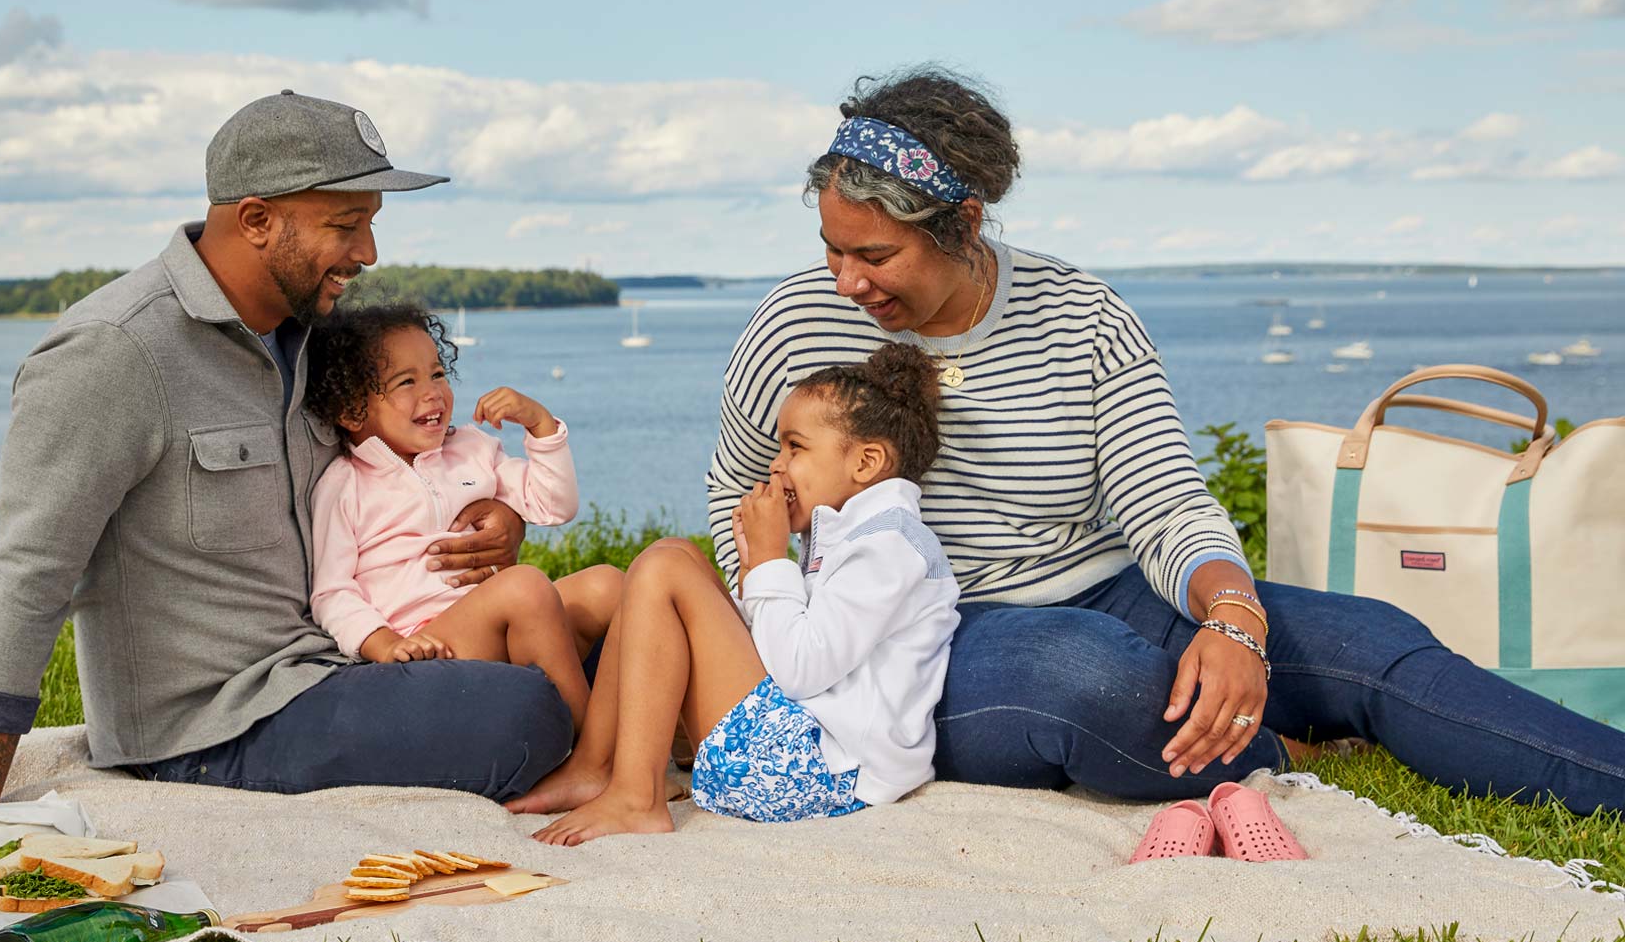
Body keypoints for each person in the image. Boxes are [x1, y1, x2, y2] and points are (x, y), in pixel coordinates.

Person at [706, 66, 1625, 815]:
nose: (844, 280)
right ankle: (1275, 745)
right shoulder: (794, 326)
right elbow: (735, 504)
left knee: (1370, 640)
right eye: (832, 248)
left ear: (965, 225)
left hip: (1116, 590)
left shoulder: (1084, 315)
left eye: (874, 256)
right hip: (922, 641)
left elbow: (1166, 502)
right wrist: (795, 636)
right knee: (1089, 676)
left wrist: (1231, 618)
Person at [0, 91, 575, 806]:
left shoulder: (319, 342)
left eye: (370, 224)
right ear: (256, 220)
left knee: (599, 626)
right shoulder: (112, 353)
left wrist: (498, 514)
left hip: (345, 664)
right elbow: (31, 574)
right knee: (527, 711)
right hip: (215, 728)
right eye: (346, 226)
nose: (368, 254)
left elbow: (399, 477)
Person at [517, 344, 962, 844]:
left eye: (796, 447)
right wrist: (755, 568)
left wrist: (772, 558)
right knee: (673, 553)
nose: (776, 465)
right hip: (800, 751)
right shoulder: (847, 534)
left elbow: (798, 671)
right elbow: (780, 650)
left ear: (867, 462)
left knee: (665, 567)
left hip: (823, 773)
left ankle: (635, 797)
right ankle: (595, 767)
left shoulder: (889, 548)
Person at [306, 302, 620, 728]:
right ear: (352, 410)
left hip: (506, 623)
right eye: (406, 382)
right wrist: (382, 643)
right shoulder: (345, 484)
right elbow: (331, 591)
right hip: (429, 646)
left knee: (608, 585)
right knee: (524, 585)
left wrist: (541, 426)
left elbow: (554, 505)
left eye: (437, 373)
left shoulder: (472, 450)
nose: (432, 391)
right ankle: (594, 756)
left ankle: (681, 739)